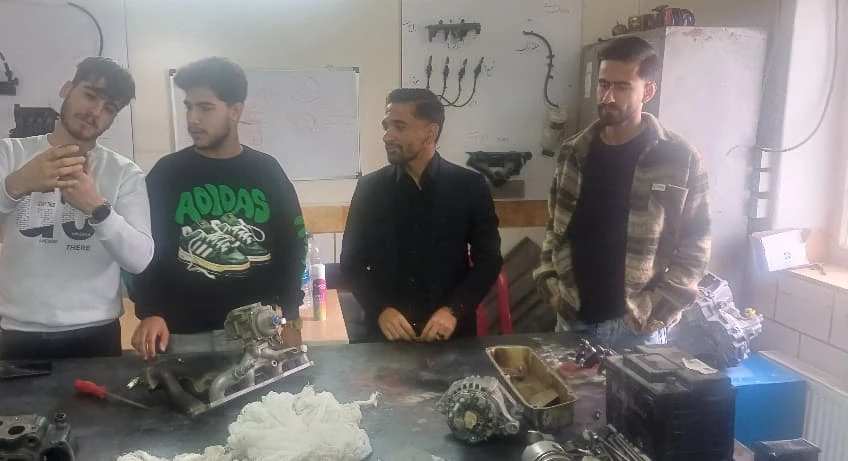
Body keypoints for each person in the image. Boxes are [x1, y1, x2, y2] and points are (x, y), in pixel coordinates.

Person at [0, 57, 153, 361]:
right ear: (67, 89)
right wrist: (18, 183)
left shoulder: (124, 173)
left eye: (110, 108)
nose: (96, 112)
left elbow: (140, 259)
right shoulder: (7, 154)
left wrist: (97, 208)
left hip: (97, 333)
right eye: (90, 95)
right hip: (21, 333)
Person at [533, 36, 711, 349]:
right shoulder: (574, 152)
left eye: (622, 87)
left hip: (636, 328)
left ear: (648, 91)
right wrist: (551, 284)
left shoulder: (679, 158)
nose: (608, 97)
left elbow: (697, 242)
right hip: (572, 318)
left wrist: (661, 307)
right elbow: (554, 227)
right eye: (603, 85)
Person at [129, 57, 307, 359]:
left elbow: (294, 244)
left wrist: (291, 313)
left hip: (257, 335)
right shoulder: (167, 174)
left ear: (235, 111)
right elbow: (141, 247)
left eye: (205, 108)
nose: (192, 119)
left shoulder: (267, 172)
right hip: (182, 336)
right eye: (188, 107)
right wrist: (149, 310)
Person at [340, 88, 502, 343]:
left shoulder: (469, 187)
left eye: (399, 126)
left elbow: (489, 260)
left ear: (430, 132)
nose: (387, 136)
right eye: (386, 126)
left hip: (451, 335)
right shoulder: (370, 189)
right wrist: (380, 309)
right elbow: (351, 263)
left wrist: (454, 310)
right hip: (384, 337)